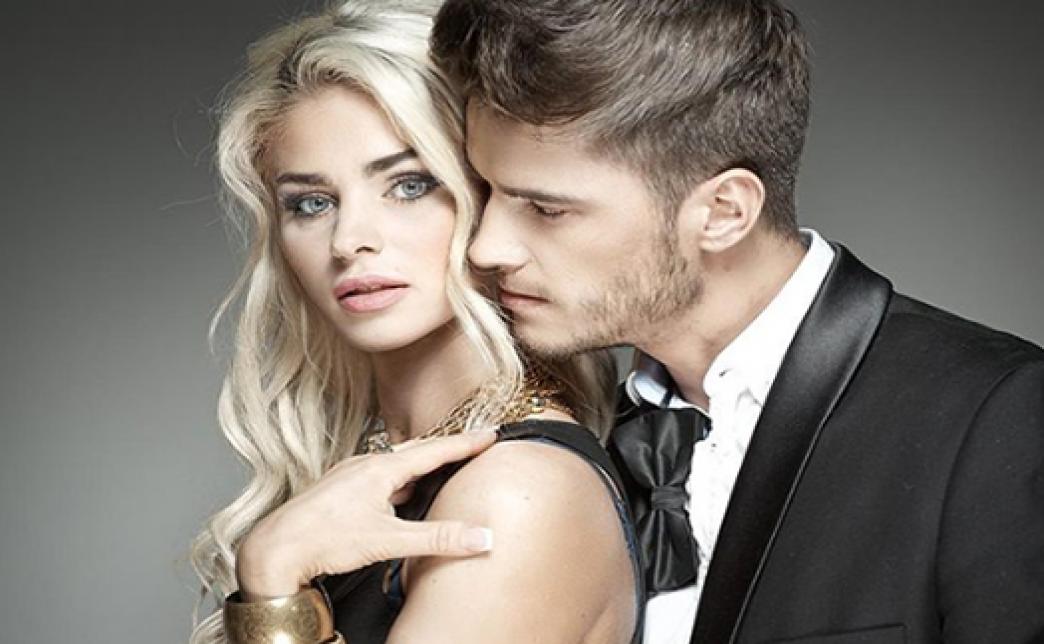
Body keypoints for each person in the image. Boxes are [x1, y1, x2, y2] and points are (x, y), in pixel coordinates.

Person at [427, 0, 1044, 643]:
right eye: (487, 191)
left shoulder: (999, 419)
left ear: (724, 211)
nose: (486, 248)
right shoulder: (554, 446)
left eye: (546, 209)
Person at [188, 2, 642, 643]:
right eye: (312, 203)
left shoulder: (517, 492)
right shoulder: (384, 466)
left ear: (491, 191)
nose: (349, 239)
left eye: (409, 185)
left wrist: (271, 583)